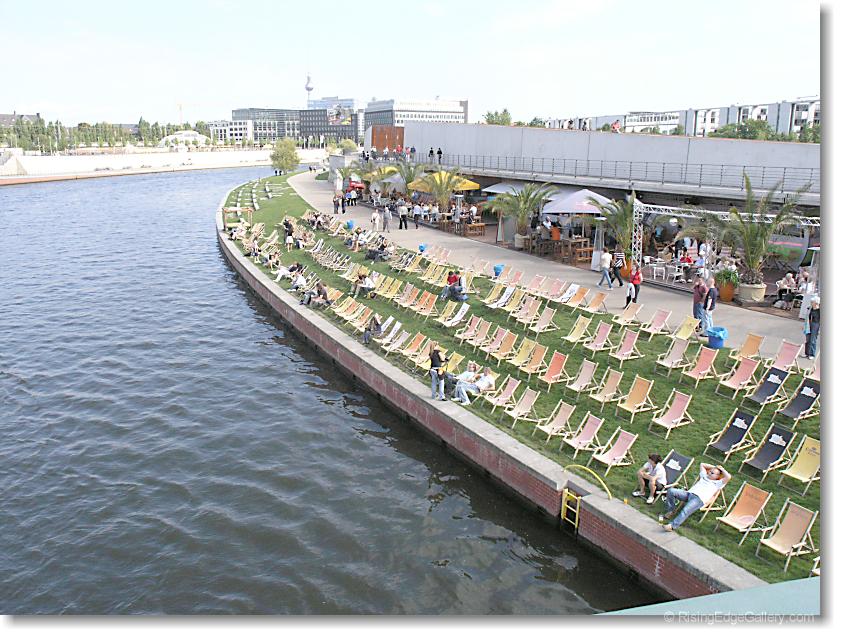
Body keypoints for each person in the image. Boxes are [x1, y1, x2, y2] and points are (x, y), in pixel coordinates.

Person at [661, 463, 730, 531]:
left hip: (698, 499)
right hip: (688, 494)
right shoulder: (704, 476)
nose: (709, 473)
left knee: (685, 510)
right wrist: (715, 467)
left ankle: (672, 526)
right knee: (671, 491)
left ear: (717, 476)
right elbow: (702, 464)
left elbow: (728, 477)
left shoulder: (718, 483)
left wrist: (721, 469)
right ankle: (671, 510)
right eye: (710, 471)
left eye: (712, 473)